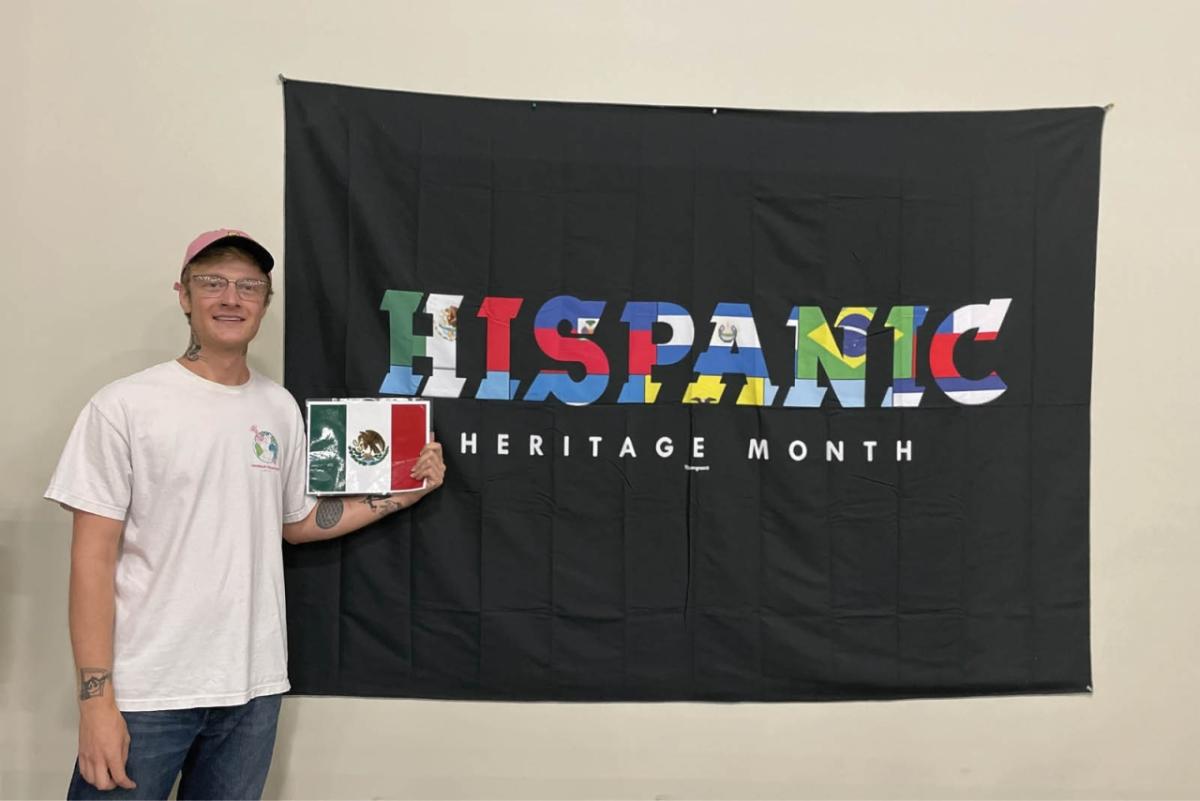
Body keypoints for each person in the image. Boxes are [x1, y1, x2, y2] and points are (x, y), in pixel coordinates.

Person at [44, 229, 446, 800]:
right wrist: (96, 702)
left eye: (248, 286)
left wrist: (401, 493)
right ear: (183, 295)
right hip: (146, 694)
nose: (230, 298)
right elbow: (91, 557)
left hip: (252, 691)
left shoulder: (277, 407)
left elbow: (298, 521)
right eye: (212, 282)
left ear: (264, 303)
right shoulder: (124, 406)